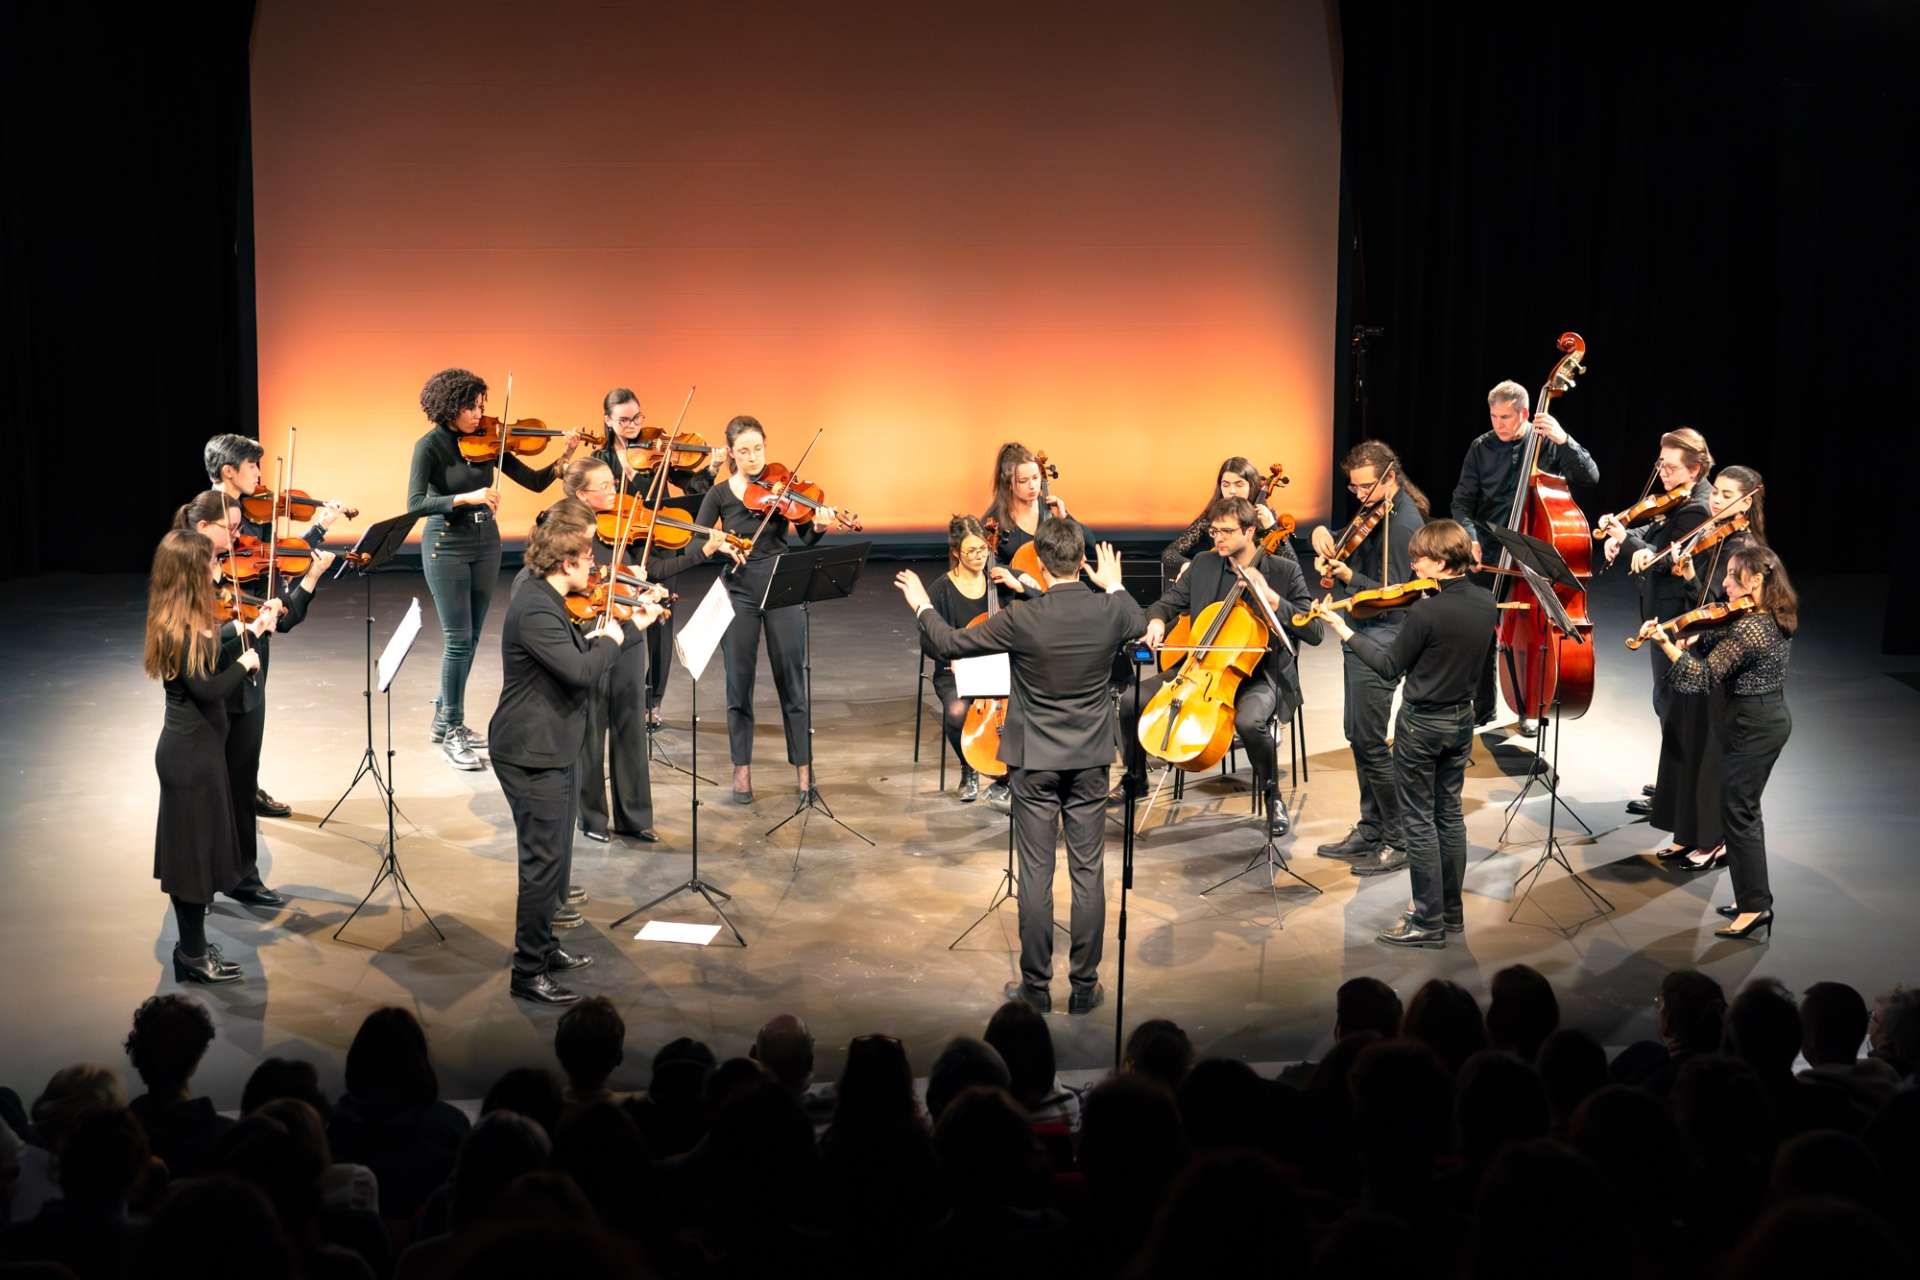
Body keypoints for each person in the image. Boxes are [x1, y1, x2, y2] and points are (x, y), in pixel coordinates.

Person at [897, 519, 1144, 1014]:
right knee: (1088, 870)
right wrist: (1113, 582)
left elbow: (948, 644)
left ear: (1042, 566)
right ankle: (1083, 986)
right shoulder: (1111, 610)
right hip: (1091, 758)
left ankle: (1035, 989)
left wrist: (923, 603)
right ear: (1082, 562)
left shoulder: (1022, 619)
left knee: (1035, 871)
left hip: (1033, 761)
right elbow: (1138, 625)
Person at [488, 511, 659, 1004]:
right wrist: (616, 635)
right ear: (566, 562)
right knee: (541, 863)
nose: (595, 568)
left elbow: (574, 652)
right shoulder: (537, 608)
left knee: (555, 855)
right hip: (530, 751)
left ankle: (545, 947)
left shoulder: (549, 599)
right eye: (588, 559)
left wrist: (629, 625)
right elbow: (581, 671)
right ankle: (527, 972)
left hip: (551, 745)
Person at [1312, 519, 1496, 945]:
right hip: (1460, 722)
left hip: (1421, 725)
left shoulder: (1426, 611)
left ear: (1443, 561)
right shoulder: (1486, 603)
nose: (1413, 567)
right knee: (1449, 817)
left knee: (1419, 824)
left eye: (1420, 559)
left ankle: (1427, 922)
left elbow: (1389, 666)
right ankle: (1450, 914)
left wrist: (1342, 630)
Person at [554, 457, 744, 843]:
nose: (615, 492)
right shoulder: (562, 531)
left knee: (629, 723)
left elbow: (654, 568)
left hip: (628, 629)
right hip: (588, 630)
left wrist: (697, 555)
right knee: (591, 728)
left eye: (612, 483)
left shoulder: (624, 525)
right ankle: (590, 818)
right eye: (604, 487)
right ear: (580, 495)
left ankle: (634, 816)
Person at [407, 367, 580, 769]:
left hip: (487, 543)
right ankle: (452, 726)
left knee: (471, 638)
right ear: (450, 407)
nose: (480, 415)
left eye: (482, 406)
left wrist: (564, 457)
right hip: (446, 544)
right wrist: (468, 497)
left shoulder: (490, 440)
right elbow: (415, 503)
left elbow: (535, 482)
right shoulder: (429, 446)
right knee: (457, 639)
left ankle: (443, 718)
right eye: (472, 407)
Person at [178, 488, 334, 908]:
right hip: (212, 698)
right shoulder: (183, 578)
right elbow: (197, 652)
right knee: (210, 795)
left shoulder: (239, 566)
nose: (237, 536)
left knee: (243, 787)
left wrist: (307, 582)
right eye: (230, 529)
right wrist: (243, 631)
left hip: (248, 692)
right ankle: (200, 883)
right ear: (202, 528)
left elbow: (283, 618)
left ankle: (243, 876)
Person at [1133, 495, 1321, 835]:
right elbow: (1165, 604)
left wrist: (1274, 599)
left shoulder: (1283, 571)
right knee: (1132, 701)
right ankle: (1136, 780)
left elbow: (1315, 631)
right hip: (1201, 669)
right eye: (1213, 531)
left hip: (1262, 672)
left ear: (1250, 531)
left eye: (1226, 531)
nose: (1217, 538)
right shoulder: (1204, 565)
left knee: (1250, 722)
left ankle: (1271, 796)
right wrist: (1157, 621)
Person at [1642, 542, 1795, 941]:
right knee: (1741, 815)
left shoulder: (1751, 627)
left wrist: (1667, 645)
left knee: (1739, 817)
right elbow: (1723, 646)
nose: (1725, 583)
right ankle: (1752, 900)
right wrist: (1694, 637)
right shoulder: (1768, 613)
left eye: (1732, 576)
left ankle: (1756, 907)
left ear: (1757, 580)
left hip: (1753, 725)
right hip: (1758, 719)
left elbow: (1703, 678)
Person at [693, 415, 844, 804]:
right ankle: (741, 770)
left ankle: (804, 772)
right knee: (737, 683)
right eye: (743, 451)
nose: (753, 457)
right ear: (731, 453)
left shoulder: (781, 488)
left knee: (792, 682)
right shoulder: (720, 495)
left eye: (758, 449)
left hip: (782, 587)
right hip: (738, 593)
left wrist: (822, 525)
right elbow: (697, 541)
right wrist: (721, 545)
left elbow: (807, 538)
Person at [144, 528, 271, 982]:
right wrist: (246, 662)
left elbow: (210, 648)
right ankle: (193, 957)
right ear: (192, 573)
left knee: (195, 856)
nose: (222, 568)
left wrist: (245, 629)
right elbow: (208, 686)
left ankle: (192, 948)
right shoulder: (178, 629)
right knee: (191, 862)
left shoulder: (187, 619)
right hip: (189, 760)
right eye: (214, 562)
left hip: (198, 754)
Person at [203, 433, 346, 816]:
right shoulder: (211, 521)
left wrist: (317, 531)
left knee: (251, 726)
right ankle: (228, 801)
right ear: (228, 471)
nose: (261, 476)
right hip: (226, 636)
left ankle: (246, 788)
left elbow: (271, 561)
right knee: (230, 726)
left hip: (256, 629)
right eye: (253, 466)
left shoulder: (253, 518)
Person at [1448, 380, 1599, 732]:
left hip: (1534, 553)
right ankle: (1483, 707)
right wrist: (1470, 538)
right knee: (1479, 629)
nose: (1498, 424)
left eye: (1505, 417)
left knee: (1532, 634)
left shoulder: (1547, 442)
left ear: (1525, 414)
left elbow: (1590, 476)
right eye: (1493, 416)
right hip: (1488, 549)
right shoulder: (1481, 447)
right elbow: (1461, 501)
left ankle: (1530, 706)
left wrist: (1565, 441)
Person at [1309, 440, 1429, 876]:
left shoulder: (1403, 526)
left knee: (1370, 741)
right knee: (1358, 734)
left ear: (1389, 477)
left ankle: (1397, 838)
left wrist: (1347, 576)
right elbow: (1351, 544)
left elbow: (1396, 593)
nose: (1359, 496)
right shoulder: (1376, 512)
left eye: (1365, 487)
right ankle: (1372, 827)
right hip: (1362, 633)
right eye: (1353, 487)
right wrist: (1326, 540)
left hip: (1383, 638)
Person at [1647, 466, 1765, 866]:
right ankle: (1685, 834)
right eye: (1715, 492)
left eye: (1727, 494)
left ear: (1746, 501)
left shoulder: (1744, 550)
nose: (1716, 500)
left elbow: (1731, 609)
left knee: (1709, 750)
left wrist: (1696, 599)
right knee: (1686, 742)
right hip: (1695, 650)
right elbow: (1702, 599)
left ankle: (1713, 839)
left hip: (1720, 660)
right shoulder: (1712, 539)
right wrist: (1688, 577)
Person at [1596, 426, 1715, 809]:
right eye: (1661, 464)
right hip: (1661, 611)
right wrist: (1624, 534)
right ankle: (1672, 782)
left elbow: (1663, 558)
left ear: (1695, 469)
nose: (1663, 474)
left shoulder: (1699, 506)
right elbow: (1655, 525)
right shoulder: (1680, 499)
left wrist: (1626, 538)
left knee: (1673, 703)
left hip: (1675, 616)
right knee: (1665, 702)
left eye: (1671, 468)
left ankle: (1676, 793)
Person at [595, 387, 725, 727]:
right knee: (619, 618)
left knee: (659, 624)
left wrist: (711, 468)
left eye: (638, 417)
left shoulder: (658, 453)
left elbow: (695, 488)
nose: (634, 425)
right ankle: (615, 693)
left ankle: (653, 700)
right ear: (608, 421)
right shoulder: (600, 460)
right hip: (617, 545)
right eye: (624, 420)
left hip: (659, 542)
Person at [921, 515, 1029, 805]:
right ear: (956, 552)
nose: (980, 556)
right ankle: (969, 766)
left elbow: (1039, 599)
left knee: (1027, 703)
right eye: (971, 551)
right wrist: (951, 657)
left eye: (983, 549)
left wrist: (1021, 585)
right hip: (956, 670)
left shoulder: (1000, 577)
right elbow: (928, 640)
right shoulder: (941, 589)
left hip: (1001, 668)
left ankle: (1008, 775)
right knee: (956, 712)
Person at [1160, 457, 1300, 577]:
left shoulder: (1265, 518)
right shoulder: (1211, 519)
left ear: (1251, 486)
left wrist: (1271, 527)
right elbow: (1169, 553)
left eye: (1239, 485)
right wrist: (1188, 565)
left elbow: (1293, 566)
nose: (1232, 491)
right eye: (1225, 485)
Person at [981, 441, 1081, 573]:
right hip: (1015, 591)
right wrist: (1018, 577)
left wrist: (1065, 518)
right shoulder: (993, 521)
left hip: (1053, 591)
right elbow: (987, 567)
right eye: (1023, 481)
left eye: (1035, 477)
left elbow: (1089, 546)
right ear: (1008, 484)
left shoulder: (1051, 508)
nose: (1032, 486)